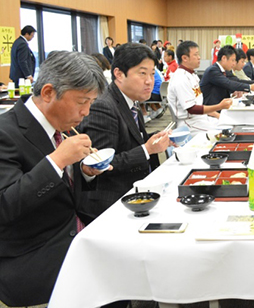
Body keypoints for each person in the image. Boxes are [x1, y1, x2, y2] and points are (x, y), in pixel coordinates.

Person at [0, 51, 107, 307]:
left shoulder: (59, 128)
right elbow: (6, 205)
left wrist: (83, 172)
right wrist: (58, 161)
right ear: (48, 92)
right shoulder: (6, 132)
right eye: (82, 101)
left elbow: (61, 190)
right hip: (33, 255)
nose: (86, 112)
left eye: (91, 102)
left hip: (72, 234)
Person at [78, 43, 173, 219]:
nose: (149, 81)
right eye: (142, 73)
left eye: (152, 74)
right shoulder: (103, 107)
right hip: (112, 202)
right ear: (119, 74)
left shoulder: (130, 101)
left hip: (137, 189)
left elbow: (131, 142)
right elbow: (102, 164)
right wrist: (148, 149)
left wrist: (156, 139)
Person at [168, 41, 232, 133]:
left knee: (229, 124)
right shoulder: (181, 78)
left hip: (200, 118)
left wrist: (216, 114)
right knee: (225, 132)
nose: (199, 57)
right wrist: (219, 106)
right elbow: (192, 109)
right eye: (196, 55)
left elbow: (198, 104)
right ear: (185, 58)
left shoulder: (192, 75)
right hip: (189, 123)